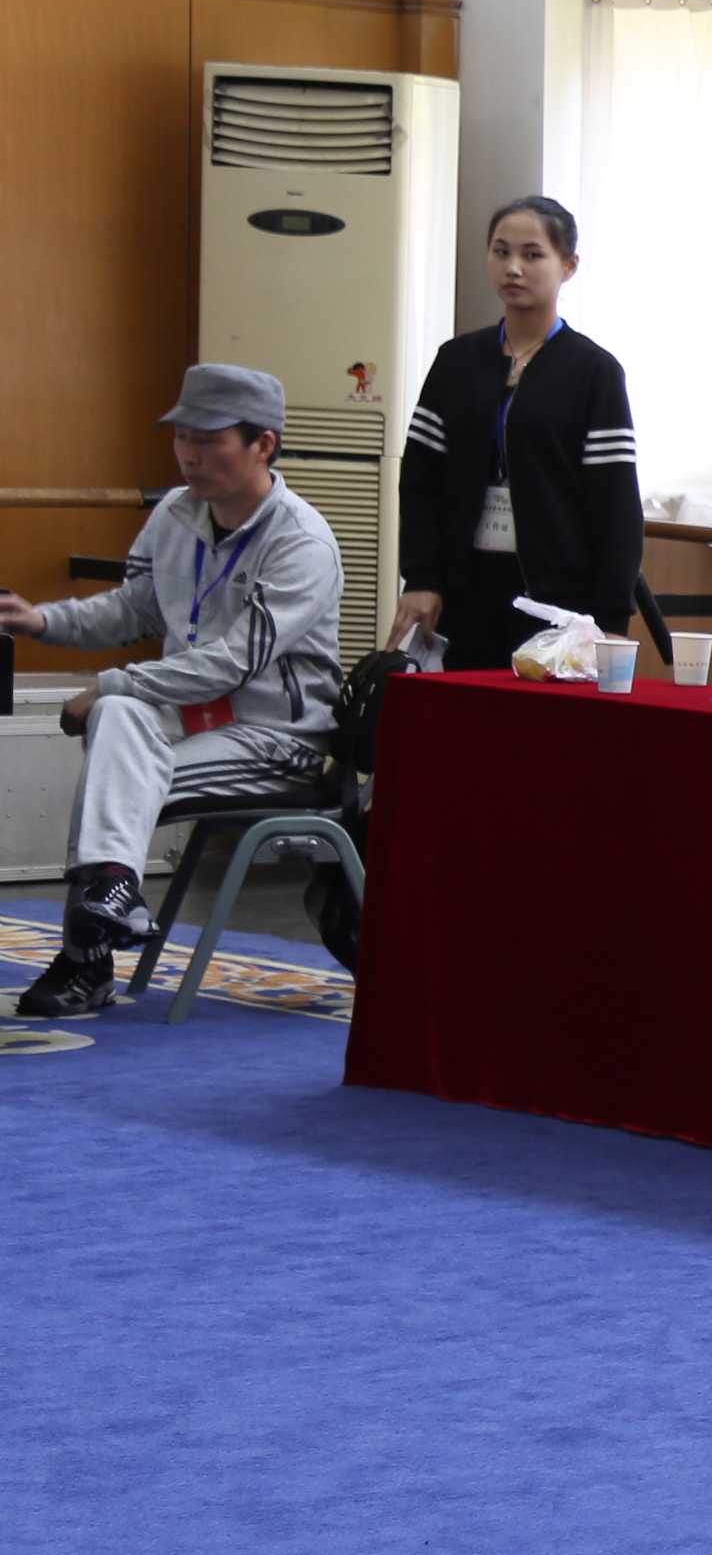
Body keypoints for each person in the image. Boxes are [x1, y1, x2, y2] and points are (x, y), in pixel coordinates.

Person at [0, 366, 345, 1019]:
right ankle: (113, 891)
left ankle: (86, 959)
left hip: (277, 740)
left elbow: (234, 663)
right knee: (120, 716)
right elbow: (135, 609)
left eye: (209, 440)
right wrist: (41, 620)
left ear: (263, 445)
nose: (189, 454)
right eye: (182, 436)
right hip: (192, 720)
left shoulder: (301, 541)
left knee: (116, 750)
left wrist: (112, 684)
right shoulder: (177, 514)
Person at [387, 196, 643, 663]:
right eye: (501, 252)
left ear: (568, 266)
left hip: (559, 602)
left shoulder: (594, 372)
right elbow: (421, 479)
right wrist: (421, 576)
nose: (513, 268)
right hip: (463, 591)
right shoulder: (456, 361)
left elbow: (616, 505)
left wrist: (612, 619)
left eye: (532, 254)